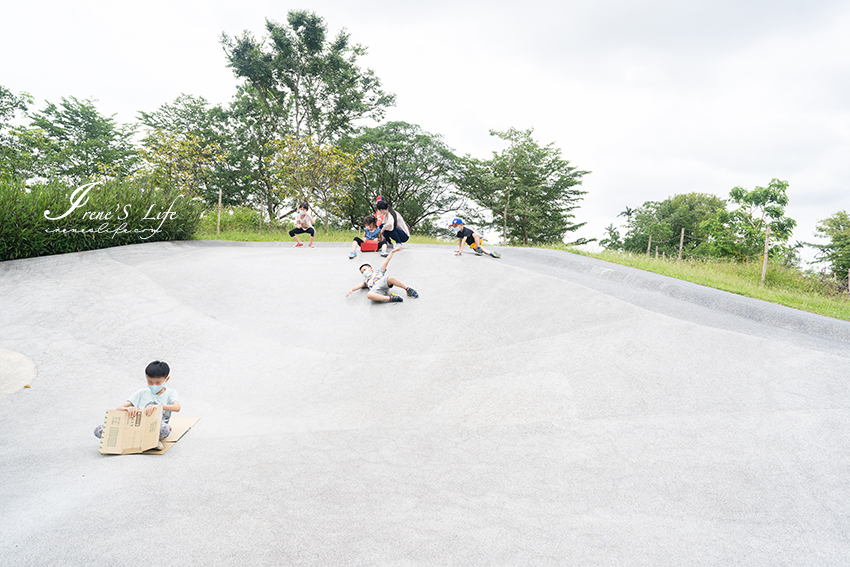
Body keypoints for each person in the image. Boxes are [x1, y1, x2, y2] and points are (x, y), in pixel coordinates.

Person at [93, 360, 181, 451]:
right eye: (150, 382)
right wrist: (128, 409)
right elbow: (118, 409)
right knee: (99, 430)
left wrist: (158, 406)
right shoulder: (141, 393)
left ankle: (150, 441)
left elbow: (177, 407)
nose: (154, 385)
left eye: (158, 382)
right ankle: (143, 441)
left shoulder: (171, 393)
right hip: (134, 427)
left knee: (165, 429)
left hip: (153, 428)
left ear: (166, 379)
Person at [346, 248, 419, 303]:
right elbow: (359, 285)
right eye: (362, 272)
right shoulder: (366, 281)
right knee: (369, 295)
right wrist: (352, 289)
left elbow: (386, 261)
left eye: (365, 269)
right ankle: (391, 298)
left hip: (382, 282)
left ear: (371, 268)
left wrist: (392, 252)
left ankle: (408, 289)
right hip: (376, 290)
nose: (364, 272)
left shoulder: (378, 272)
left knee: (391, 278)